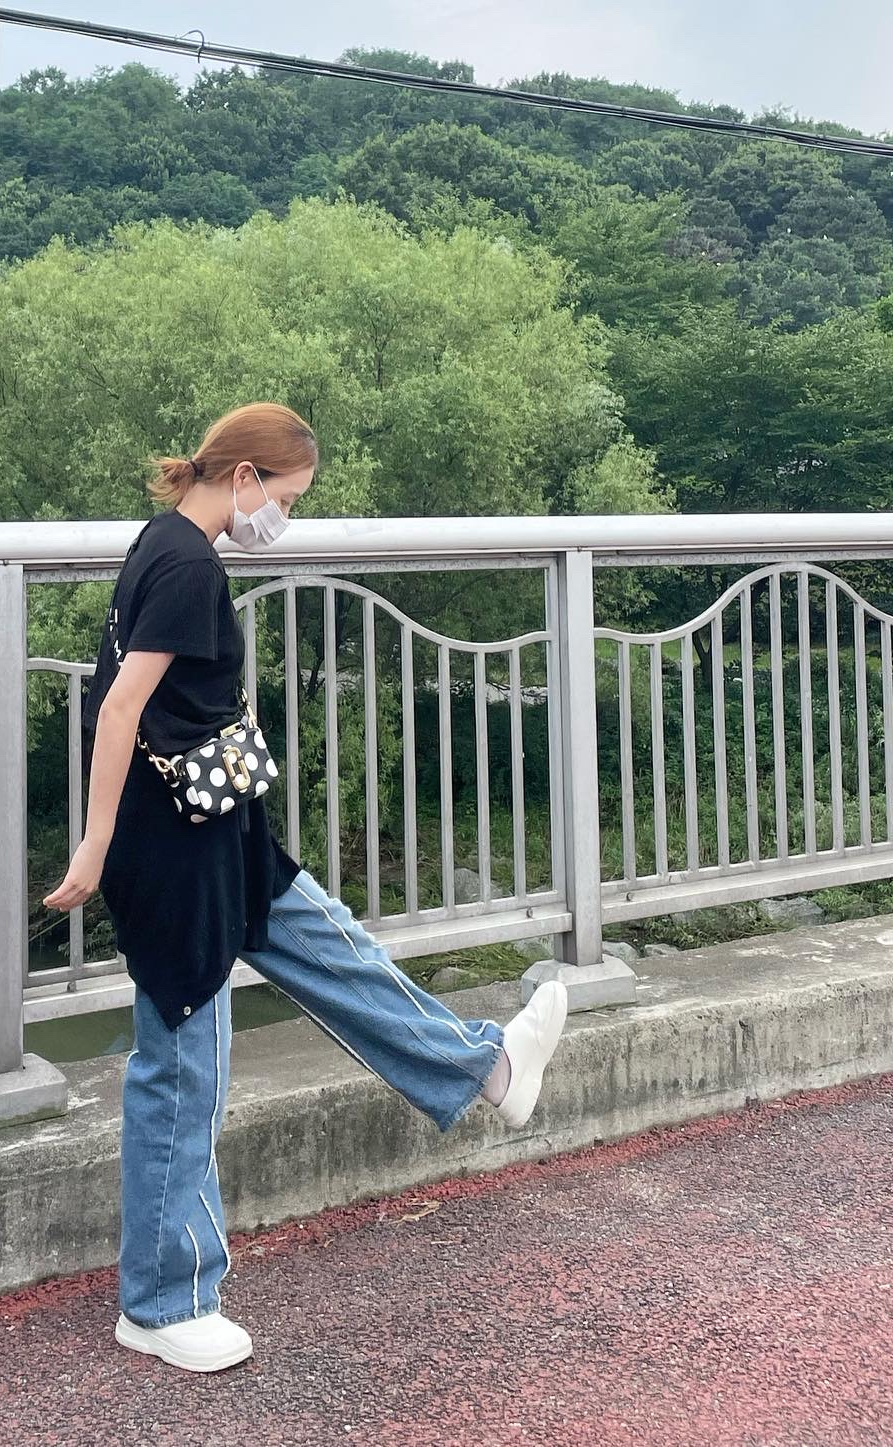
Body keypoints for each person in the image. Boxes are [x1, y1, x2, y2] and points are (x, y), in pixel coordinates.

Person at [44, 400, 569, 1375]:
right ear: (243, 476)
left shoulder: (165, 542)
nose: (281, 518)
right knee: (184, 1061)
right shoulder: (187, 565)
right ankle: (162, 1300)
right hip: (176, 848)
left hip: (224, 828)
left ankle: (487, 1067)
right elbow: (117, 706)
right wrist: (97, 842)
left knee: (334, 946)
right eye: (284, 499)